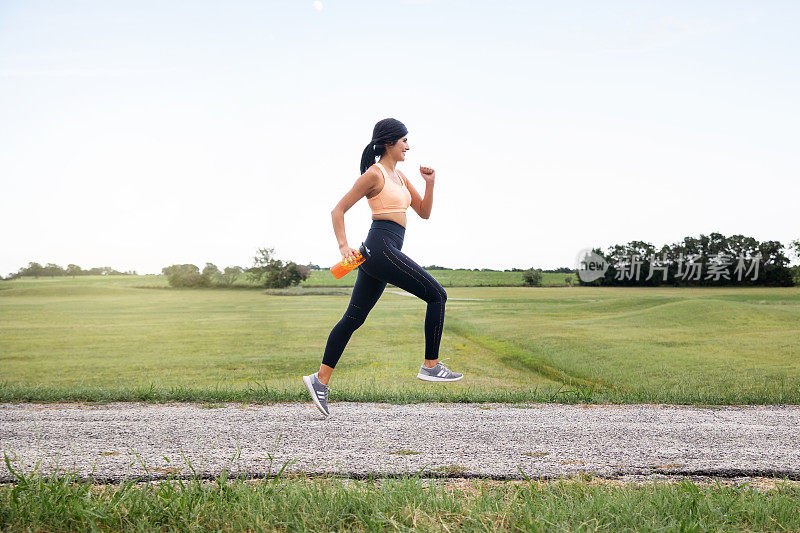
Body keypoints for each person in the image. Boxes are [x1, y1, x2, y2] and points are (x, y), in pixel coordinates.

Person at [303, 118, 463, 417]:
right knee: (437, 295)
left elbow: (424, 213)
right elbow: (337, 210)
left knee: (353, 318)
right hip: (379, 248)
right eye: (404, 140)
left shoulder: (400, 177)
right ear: (389, 142)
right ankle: (430, 366)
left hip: (382, 251)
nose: (408, 145)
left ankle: (319, 380)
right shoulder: (374, 175)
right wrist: (343, 246)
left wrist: (430, 184)